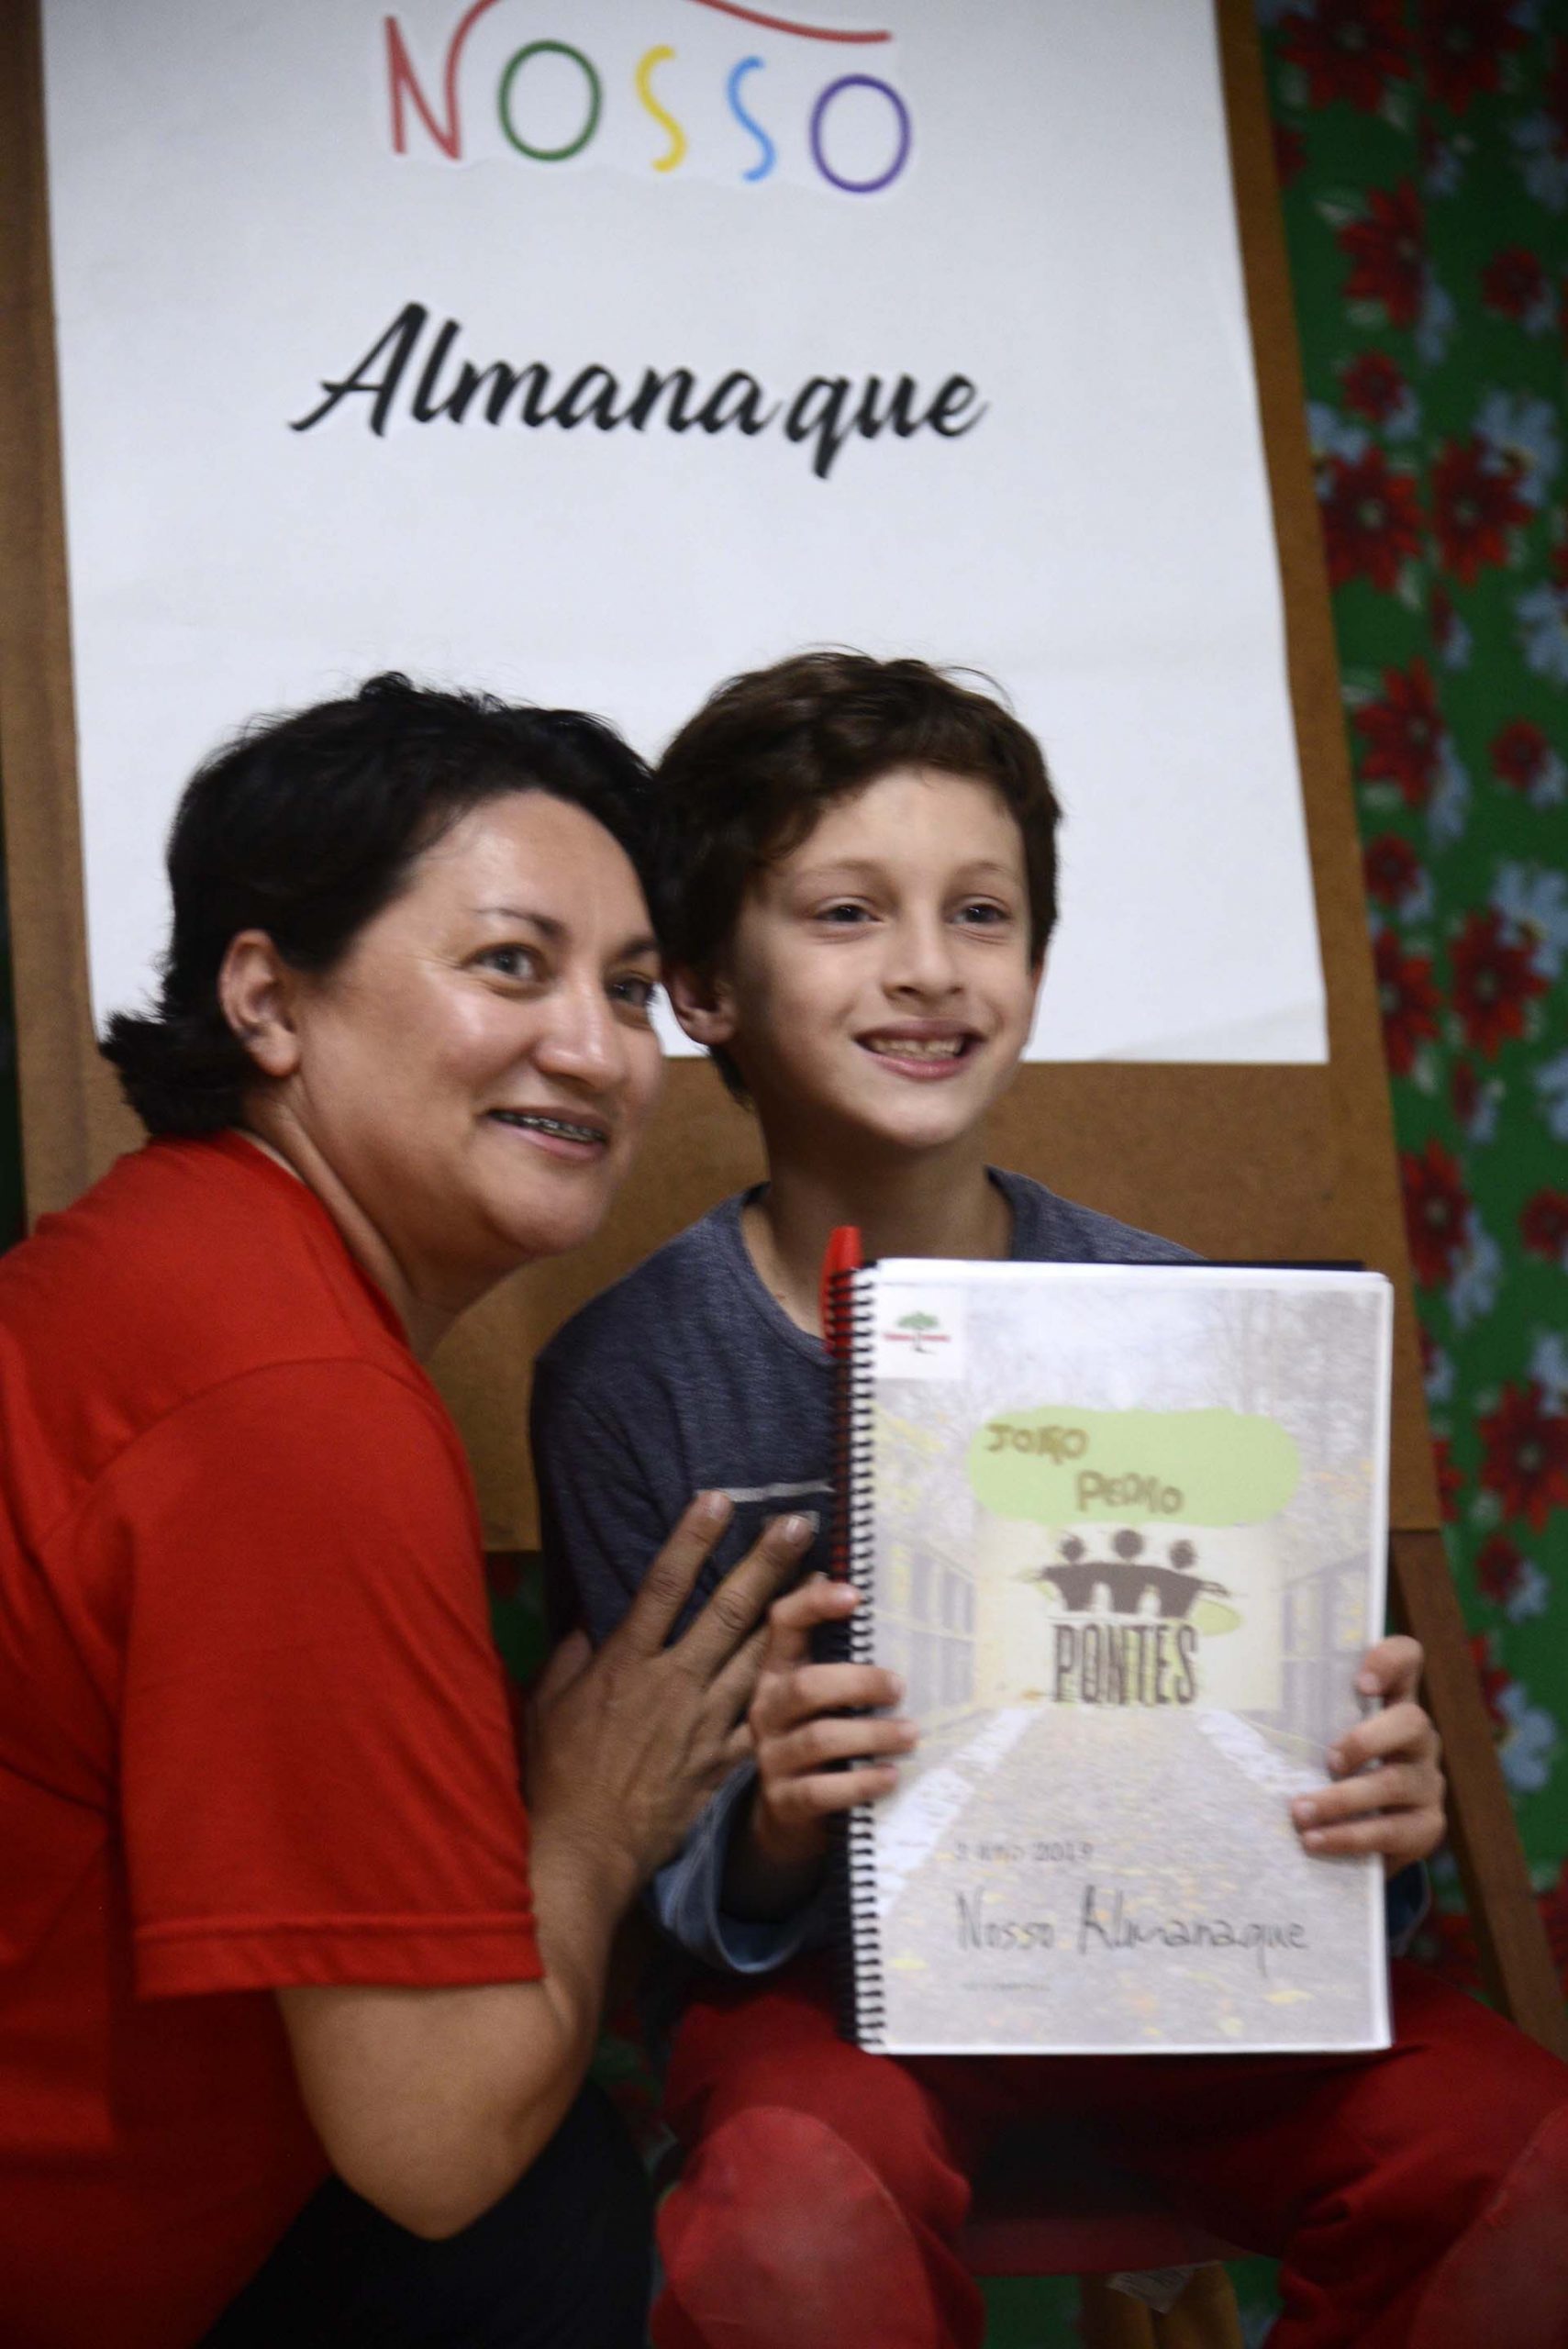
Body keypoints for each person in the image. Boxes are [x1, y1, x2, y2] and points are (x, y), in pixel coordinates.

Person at [530, 651, 1568, 2349]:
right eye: (847, 913)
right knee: (794, 2210)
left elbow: (1300, 1778)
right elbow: (651, 1848)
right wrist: (778, 1821)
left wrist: (1373, 1812)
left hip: (1192, 1969)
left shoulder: (1191, 1322)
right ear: (705, 984)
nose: (929, 968)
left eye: (982, 913)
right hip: (842, 2001)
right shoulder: (630, 1378)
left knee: (1519, 2157)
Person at [0, 674, 814, 2349]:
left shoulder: (171, 1257)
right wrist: (589, 1820)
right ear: (266, 999)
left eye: (630, 990)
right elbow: (433, 2142)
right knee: (543, 2213)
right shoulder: (290, 1402)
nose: (594, 1050)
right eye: (510, 963)